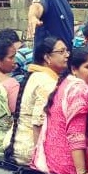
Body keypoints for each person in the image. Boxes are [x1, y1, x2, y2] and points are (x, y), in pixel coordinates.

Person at [33, 45, 88, 174]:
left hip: (52, 159)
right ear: (74, 69)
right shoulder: (80, 89)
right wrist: (82, 173)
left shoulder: (66, 82)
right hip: (68, 166)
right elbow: (75, 134)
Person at [7, 37, 70, 166]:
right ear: (47, 58)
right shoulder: (46, 81)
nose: (67, 55)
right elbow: (38, 122)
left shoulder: (37, 75)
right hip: (29, 147)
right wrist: (41, 159)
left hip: (17, 141)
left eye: (67, 51)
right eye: (61, 52)